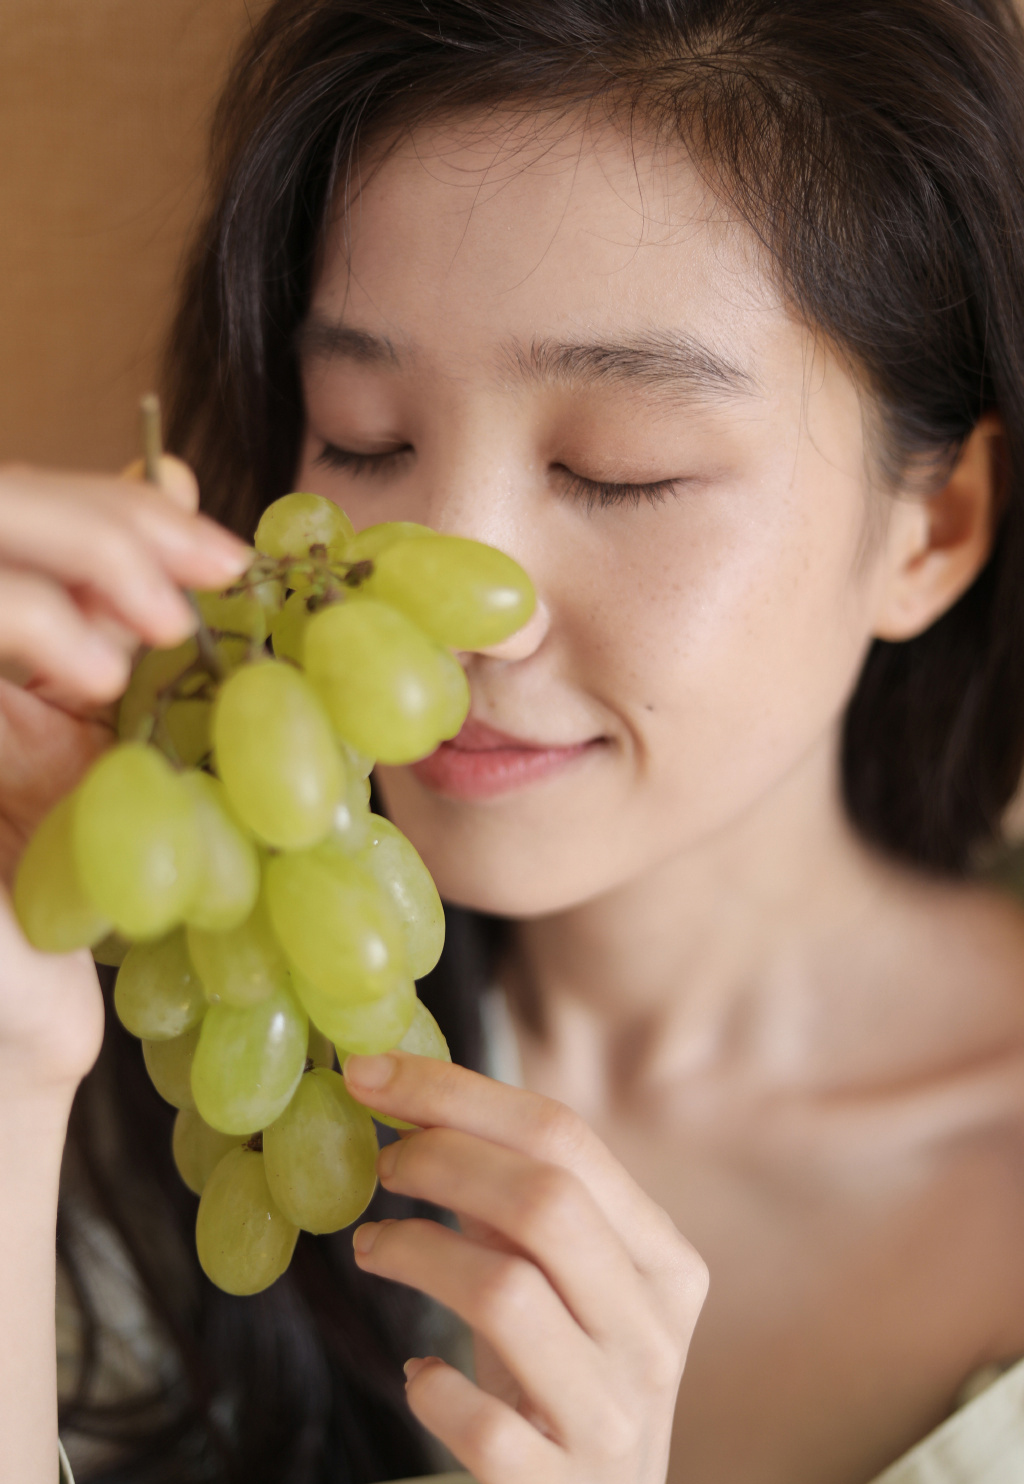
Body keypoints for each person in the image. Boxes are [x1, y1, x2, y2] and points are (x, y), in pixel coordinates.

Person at [5, 0, 1024, 1480]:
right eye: (362, 438)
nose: (458, 614)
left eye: (621, 471)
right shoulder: (158, 1075)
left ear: (932, 528)